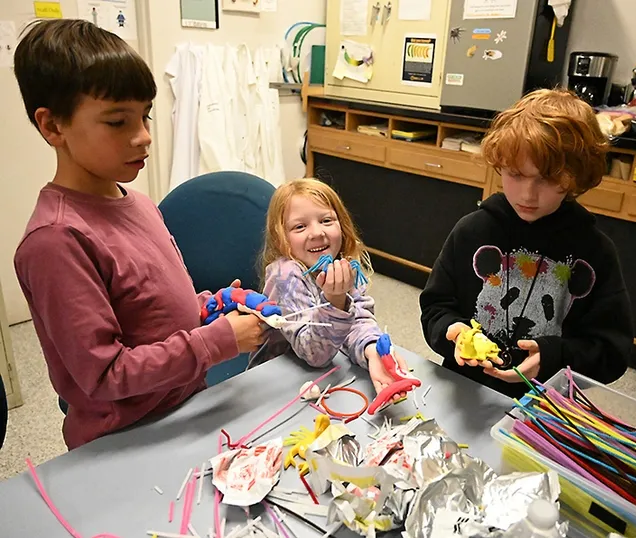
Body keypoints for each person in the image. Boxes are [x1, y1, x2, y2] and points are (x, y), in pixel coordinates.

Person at [12, 19, 264, 449]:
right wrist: (216, 342)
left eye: (144, 116)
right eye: (117, 122)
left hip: (183, 405)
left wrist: (206, 306)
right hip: (126, 439)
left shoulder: (140, 204)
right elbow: (104, 374)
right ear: (53, 127)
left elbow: (149, 309)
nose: (144, 136)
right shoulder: (56, 240)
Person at [420, 89, 633, 398]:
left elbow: (612, 352)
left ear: (576, 176)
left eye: (547, 179)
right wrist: (452, 331)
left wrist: (553, 357)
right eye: (515, 174)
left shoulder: (595, 253)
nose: (527, 195)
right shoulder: (471, 231)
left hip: (546, 402)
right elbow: (436, 307)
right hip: (466, 391)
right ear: (500, 164)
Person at [255, 178, 408, 401]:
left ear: (342, 225)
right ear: (281, 238)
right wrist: (335, 300)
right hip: (275, 387)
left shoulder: (344, 265)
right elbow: (314, 354)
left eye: (326, 220)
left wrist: (372, 350)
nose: (317, 232)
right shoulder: (284, 276)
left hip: (324, 381)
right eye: (300, 226)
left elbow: (359, 320)